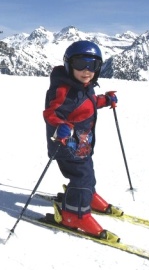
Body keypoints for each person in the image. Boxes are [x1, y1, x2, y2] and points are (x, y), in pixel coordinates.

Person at [42, 40, 118, 238]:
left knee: (88, 174)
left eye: (92, 65)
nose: (86, 70)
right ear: (69, 65)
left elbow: (88, 103)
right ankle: (73, 214)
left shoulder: (85, 87)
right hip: (66, 145)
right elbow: (50, 113)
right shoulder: (63, 90)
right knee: (81, 176)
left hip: (82, 145)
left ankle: (86, 196)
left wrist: (105, 100)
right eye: (80, 64)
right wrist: (61, 125)